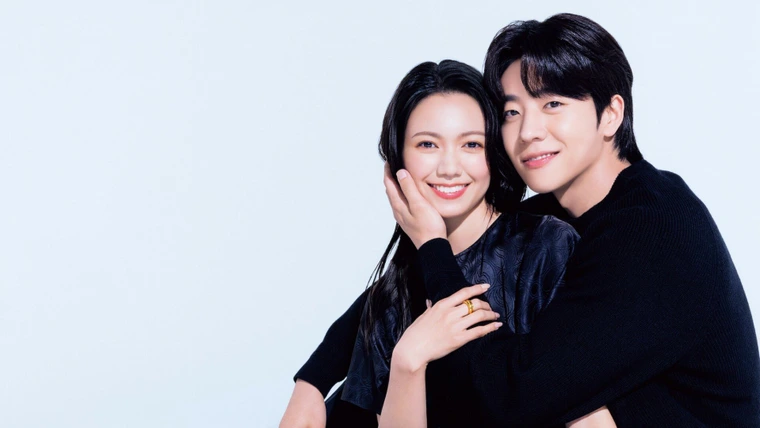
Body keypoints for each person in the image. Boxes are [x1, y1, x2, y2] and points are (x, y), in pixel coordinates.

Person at [286, 13, 760, 427]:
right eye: (512, 111)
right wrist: (314, 378)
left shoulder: (651, 229)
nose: (529, 131)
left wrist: (431, 246)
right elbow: (426, 274)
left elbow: (511, 395)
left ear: (610, 114)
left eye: (553, 104)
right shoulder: (561, 209)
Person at [281, 59, 609, 427]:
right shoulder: (393, 293)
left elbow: (587, 412)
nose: (449, 168)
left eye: (471, 144)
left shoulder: (545, 247)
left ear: (494, 151)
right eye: (427, 144)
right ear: (397, 158)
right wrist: (408, 361)